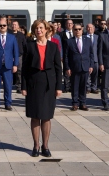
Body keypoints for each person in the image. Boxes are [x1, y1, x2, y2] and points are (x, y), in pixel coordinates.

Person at [21, 19, 62, 158]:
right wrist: (24, 86)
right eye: (36, 28)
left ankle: (45, 146)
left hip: (48, 85)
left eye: (41, 28)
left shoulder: (54, 46)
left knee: (46, 116)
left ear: (46, 29)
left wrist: (58, 87)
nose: (38, 30)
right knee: (35, 116)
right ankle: (36, 146)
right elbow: (25, 69)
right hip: (34, 84)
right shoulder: (29, 46)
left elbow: (58, 68)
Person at [0, 16, 18, 111]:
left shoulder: (12, 37)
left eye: (4, 25)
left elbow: (16, 52)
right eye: (0, 25)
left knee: (8, 86)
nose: (2, 27)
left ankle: (8, 103)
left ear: (7, 26)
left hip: (8, 65)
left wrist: (15, 65)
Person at [64, 24, 94, 111]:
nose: (77, 31)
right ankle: (75, 103)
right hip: (74, 67)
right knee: (74, 86)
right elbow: (66, 56)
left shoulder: (87, 40)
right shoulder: (69, 41)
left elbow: (91, 54)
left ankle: (83, 103)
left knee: (83, 86)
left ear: (82, 30)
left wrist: (91, 65)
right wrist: (67, 67)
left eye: (79, 29)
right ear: (73, 30)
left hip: (85, 67)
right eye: (75, 29)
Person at [11, 20, 26, 94]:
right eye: (13, 24)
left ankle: (19, 87)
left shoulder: (21, 35)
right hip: (9, 56)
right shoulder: (8, 34)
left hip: (19, 55)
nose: (14, 26)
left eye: (15, 25)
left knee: (19, 71)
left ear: (18, 26)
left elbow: (24, 45)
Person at [59, 20, 74, 92]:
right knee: (66, 72)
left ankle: (72, 86)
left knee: (74, 71)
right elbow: (60, 46)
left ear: (73, 25)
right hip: (66, 55)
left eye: (71, 24)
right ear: (65, 25)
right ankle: (66, 87)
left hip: (74, 55)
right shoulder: (61, 34)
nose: (69, 25)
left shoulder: (75, 33)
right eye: (68, 24)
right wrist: (61, 55)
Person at [86, 24, 99, 94]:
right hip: (86, 59)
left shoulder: (97, 37)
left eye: (91, 27)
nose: (89, 29)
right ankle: (88, 87)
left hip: (95, 59)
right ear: (86, 29)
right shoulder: (83, 37)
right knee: (87, 74)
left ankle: (94, 87)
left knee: (95, 74)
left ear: (93, 29)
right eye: (88, 27)